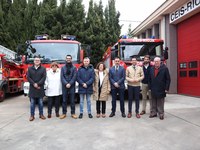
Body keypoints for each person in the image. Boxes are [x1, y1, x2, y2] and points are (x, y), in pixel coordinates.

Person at [27, 56, 46, 121]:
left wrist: (38, 84)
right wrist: (34, 84)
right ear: (34, 61)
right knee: (32, 103)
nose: (37, 61)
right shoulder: (29, 68)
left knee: (40, 102)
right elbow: (28, 77)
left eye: (38, 60)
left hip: (40, 88)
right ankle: (32, 115)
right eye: (35, 60)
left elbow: (44, 78)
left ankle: (41, 114)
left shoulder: (43, 69)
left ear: (40, 61)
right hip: (32, 88)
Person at [60, 55, 78, 119]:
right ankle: (64, 113)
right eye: (67, 58)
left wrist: (70, 83)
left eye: (69, 58)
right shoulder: (62, 68)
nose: (68, 59)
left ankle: (73, 113)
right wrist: (66, 84)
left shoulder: (74, 68)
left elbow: (74, 76)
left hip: (72, 85)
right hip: (64, 86)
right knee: (64, 100)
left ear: (71, 59)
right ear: (66, 59)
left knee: (72, 100)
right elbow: (62, 77)